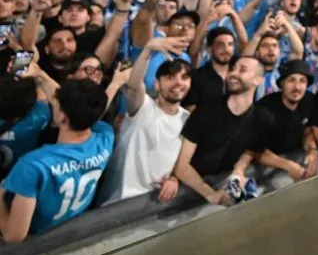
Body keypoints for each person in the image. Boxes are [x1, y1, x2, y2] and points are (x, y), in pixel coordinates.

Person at [0, 79, 113, 242]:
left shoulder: (32, 165)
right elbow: (88, 114)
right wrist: (39, 75)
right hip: (72, 234)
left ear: (62, 117)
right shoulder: (105, 136)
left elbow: (14, 235)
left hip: (36, 244)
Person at [98, 43, 192, 205]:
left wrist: (175, 179)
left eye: (184, 78)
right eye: (170, 77)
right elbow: (135, 85)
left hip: (153, 206)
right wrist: (147, 50)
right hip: (116, 203)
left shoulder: (188, 120)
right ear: (157, 84)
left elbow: (183, 162)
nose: (178, 83)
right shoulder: (143, 106)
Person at [172, 56, 271, 205]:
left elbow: (251, 150)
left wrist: (240, 168)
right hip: (191, 192)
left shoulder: (262, 118)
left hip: (225, 187)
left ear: (258, 80)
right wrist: (210, 193)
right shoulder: (205, 111)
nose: (233, 73)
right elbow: (181, 166)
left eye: (242, 70)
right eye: (233, 68)